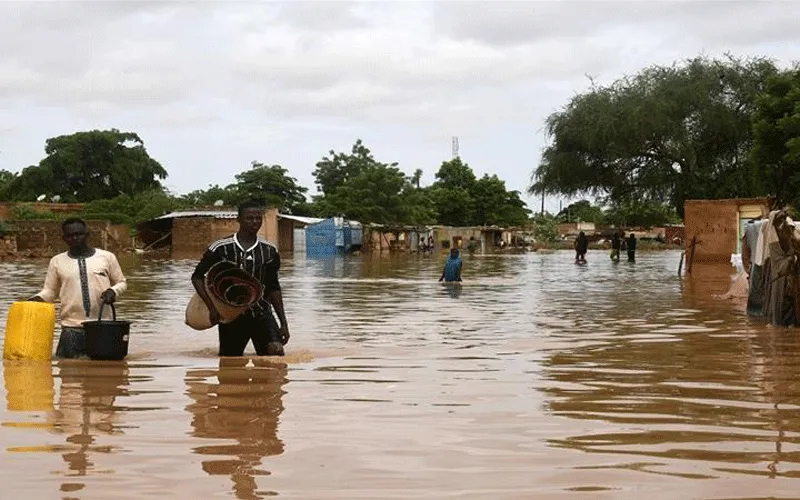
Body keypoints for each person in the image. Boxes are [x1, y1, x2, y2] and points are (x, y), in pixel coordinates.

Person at [191, 201, 290, 357]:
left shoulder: (269, 251)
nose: (254, 222)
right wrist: (212, 308)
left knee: (276, 353)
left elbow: (273, 287)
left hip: (261, 312)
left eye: (258, 218)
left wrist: (283, 322)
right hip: (231, 316)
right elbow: (197, 277)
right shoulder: (220, 248)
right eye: (249, 218)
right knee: (229, 362)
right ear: (239, 220)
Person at [29, 218, 127, 359]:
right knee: (68, 372)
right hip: (71, 328)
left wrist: (113, 291)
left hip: (103, 326)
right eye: (70, 235)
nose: (75, 238)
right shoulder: (57, 261)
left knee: (104, 375)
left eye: (79, 234)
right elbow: (50, 291)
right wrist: (37, 299)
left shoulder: (106, 257)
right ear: (64, 238)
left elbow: (121, 282)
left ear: (87, 235)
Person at [742, 217, 766, 316]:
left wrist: (748, 270)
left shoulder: (749, 230)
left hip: (755, 265)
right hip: (772, 265)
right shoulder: (770, 228)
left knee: (755, 295)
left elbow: (744, 255)